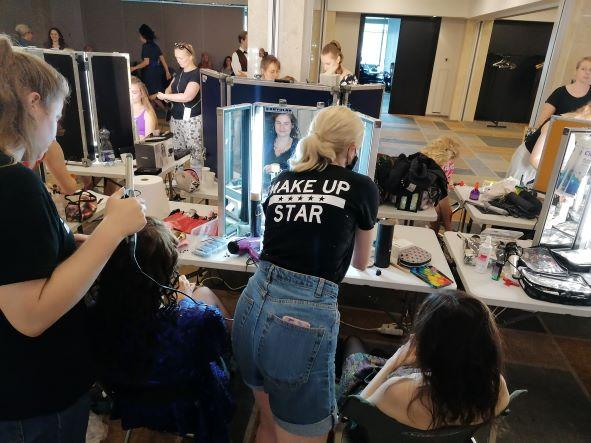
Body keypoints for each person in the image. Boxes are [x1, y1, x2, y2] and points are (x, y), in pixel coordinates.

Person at [0, 35, 145, 442]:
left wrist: (75, 248)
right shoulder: (13, 185)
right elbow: (31, 315)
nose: (56, 131)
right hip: (35, 398)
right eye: (57, 117)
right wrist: (112, 229)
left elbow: (19, 267)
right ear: (33, 104)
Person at [232, 106, 379, 441]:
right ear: (352, 149)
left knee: (267, 425)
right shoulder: (361, 187)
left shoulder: (282, 179)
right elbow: (361, 262)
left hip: (251, 305)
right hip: (299, 322)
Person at [89, 217, 233, 440]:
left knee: (202, 296)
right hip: (190, 405)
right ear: (166, 271)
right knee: (204, 294)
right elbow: (219, 345)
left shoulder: (92, 317)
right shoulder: (195, 321)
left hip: (131, 401)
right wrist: (184, 303)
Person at [339, 291, 509, 431]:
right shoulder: (496, 388)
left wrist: (393, 362)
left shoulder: (399, 391)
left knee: (353, 345)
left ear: (430, 346)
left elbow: (355, 412)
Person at [507, 102, 591, 183]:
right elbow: (534, 159)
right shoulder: (556, 123)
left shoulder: (575, 127)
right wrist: (555, 178)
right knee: (512, 189)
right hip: (525, 165)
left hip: (540, 167)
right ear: (587, 110)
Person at [157, 42, 203, 168]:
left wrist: (166, 97)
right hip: (176, 118)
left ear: (191, 56)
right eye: (176, 58)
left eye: (181, 58)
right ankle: (180, 177)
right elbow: (169, 88)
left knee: (195, 153)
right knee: (177, 153)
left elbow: (187, 96)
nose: (178, 61)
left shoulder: (197, 74)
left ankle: (197, 177)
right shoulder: (179, 72)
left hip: (191, 120)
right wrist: (167, 95)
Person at [534, 56, 591, 128]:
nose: (587, 72)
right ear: (576, 71)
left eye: (590, 70)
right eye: (583, 69)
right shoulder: (560, 92)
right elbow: (542, 121)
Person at [421, 136, 460, 232]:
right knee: (441, 210)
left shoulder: (449, 162)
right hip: (427, 192)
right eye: (451, 157)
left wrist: (450, 182)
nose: (452, 160)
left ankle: (441, 231)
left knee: (444, 209)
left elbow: (448, 177)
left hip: (440, 191)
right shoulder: (431, 162)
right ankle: (447, 231)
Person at [130, 24, 171, 99]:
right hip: (158, 71)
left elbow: (146, 62)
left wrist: (134, 68)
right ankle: (165, 104)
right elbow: (163, 60)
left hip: (150, 73)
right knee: (156, 93)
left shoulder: (145, 46)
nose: (139, 37)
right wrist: (167, 72)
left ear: (143, 36)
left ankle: (163, 100)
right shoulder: (155, 45)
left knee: (149, 94)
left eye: (140, 35)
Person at [264, 112, 299, 178]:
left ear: (292, 125)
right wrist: (264, 169)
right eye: (278, 123)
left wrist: (280, 169)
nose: (282, 127)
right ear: (274, 124)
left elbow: (301, 171)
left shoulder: (299, 146)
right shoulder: (265, 142)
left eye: (286, 124)